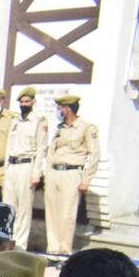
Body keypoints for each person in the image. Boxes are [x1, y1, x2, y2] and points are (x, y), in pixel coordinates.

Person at [44, 94, 100, 259]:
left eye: (61, 107)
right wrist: (47, 174)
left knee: (67, 215)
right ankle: (52, 251)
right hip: (54, 172)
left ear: (68, 109)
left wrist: (86, 179)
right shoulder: (60, 128)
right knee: (52, 213)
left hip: (72, 173)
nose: (59, 110)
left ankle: (64, 251)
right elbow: (51, 152)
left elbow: (94, 154)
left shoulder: (86, 127)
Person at [3, 86, 48, 251]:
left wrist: (37, 173)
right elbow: (9, 145)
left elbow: (41, 148)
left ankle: (20, 245)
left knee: (23, 209)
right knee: (9, 207)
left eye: (27, 101)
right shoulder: (15, 121)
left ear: (33, 102)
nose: (24, 104)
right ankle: (7, 241)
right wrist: (5, 167)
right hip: (12, 166)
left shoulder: (39, 120)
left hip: (27, 166)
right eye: (21, 101)